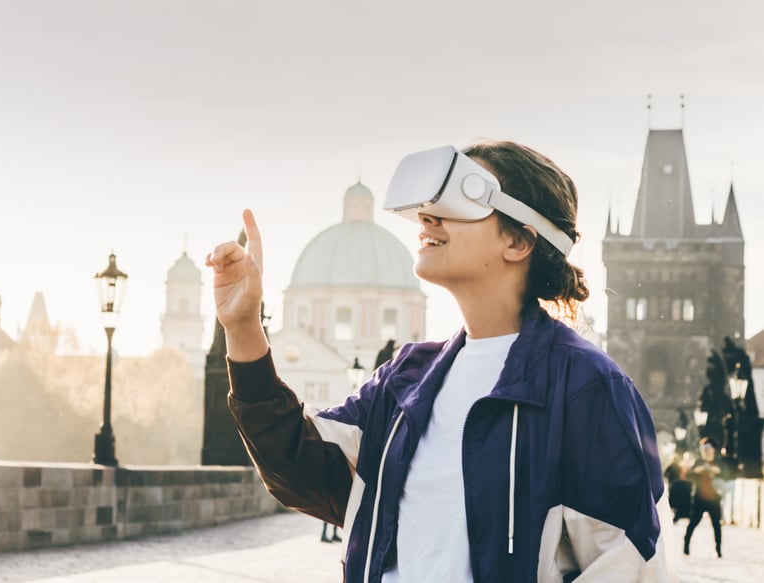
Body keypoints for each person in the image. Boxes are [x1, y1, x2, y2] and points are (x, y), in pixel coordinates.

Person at [206, 141, 674, 581]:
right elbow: (296, 463)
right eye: (429, 206)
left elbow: (626, 565)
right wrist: (244, 327)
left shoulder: (587, 386)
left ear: (519, 241)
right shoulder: (406, 378)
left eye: (457, 203)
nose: (427, 218)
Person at [683, 437, 724, 557]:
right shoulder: (699, 462)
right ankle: (686, 547)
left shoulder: (718, 462)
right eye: (704, 448)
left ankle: (718, 550)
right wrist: (696, 471)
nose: (706, 451)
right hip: (699, 498)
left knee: (716, 525)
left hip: (714, 498)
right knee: (693, 523)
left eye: (709, 448)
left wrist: (717, 471)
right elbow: (688, 475)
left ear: (714, 449)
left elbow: (727, 474)